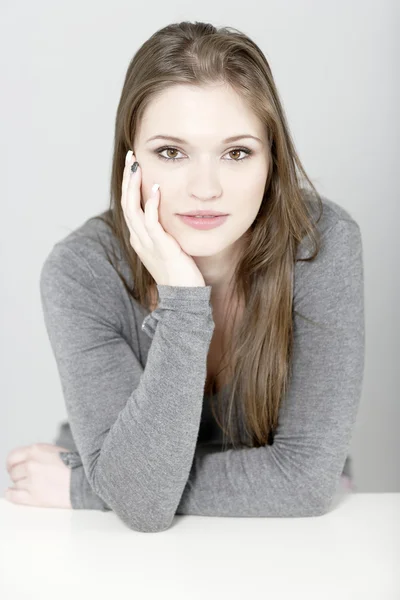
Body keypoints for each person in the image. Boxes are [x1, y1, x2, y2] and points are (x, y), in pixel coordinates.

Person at [5, 21, 364, 531]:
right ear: (132, 161)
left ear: (272, 162)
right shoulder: (82, 272)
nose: (205, 188)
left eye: (237, 152)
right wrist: (184, 302)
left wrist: (90, 486)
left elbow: (303, 480)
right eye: (171, 152)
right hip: (113, 553)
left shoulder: (319, 244)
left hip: (286, 544)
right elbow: (141, 504)